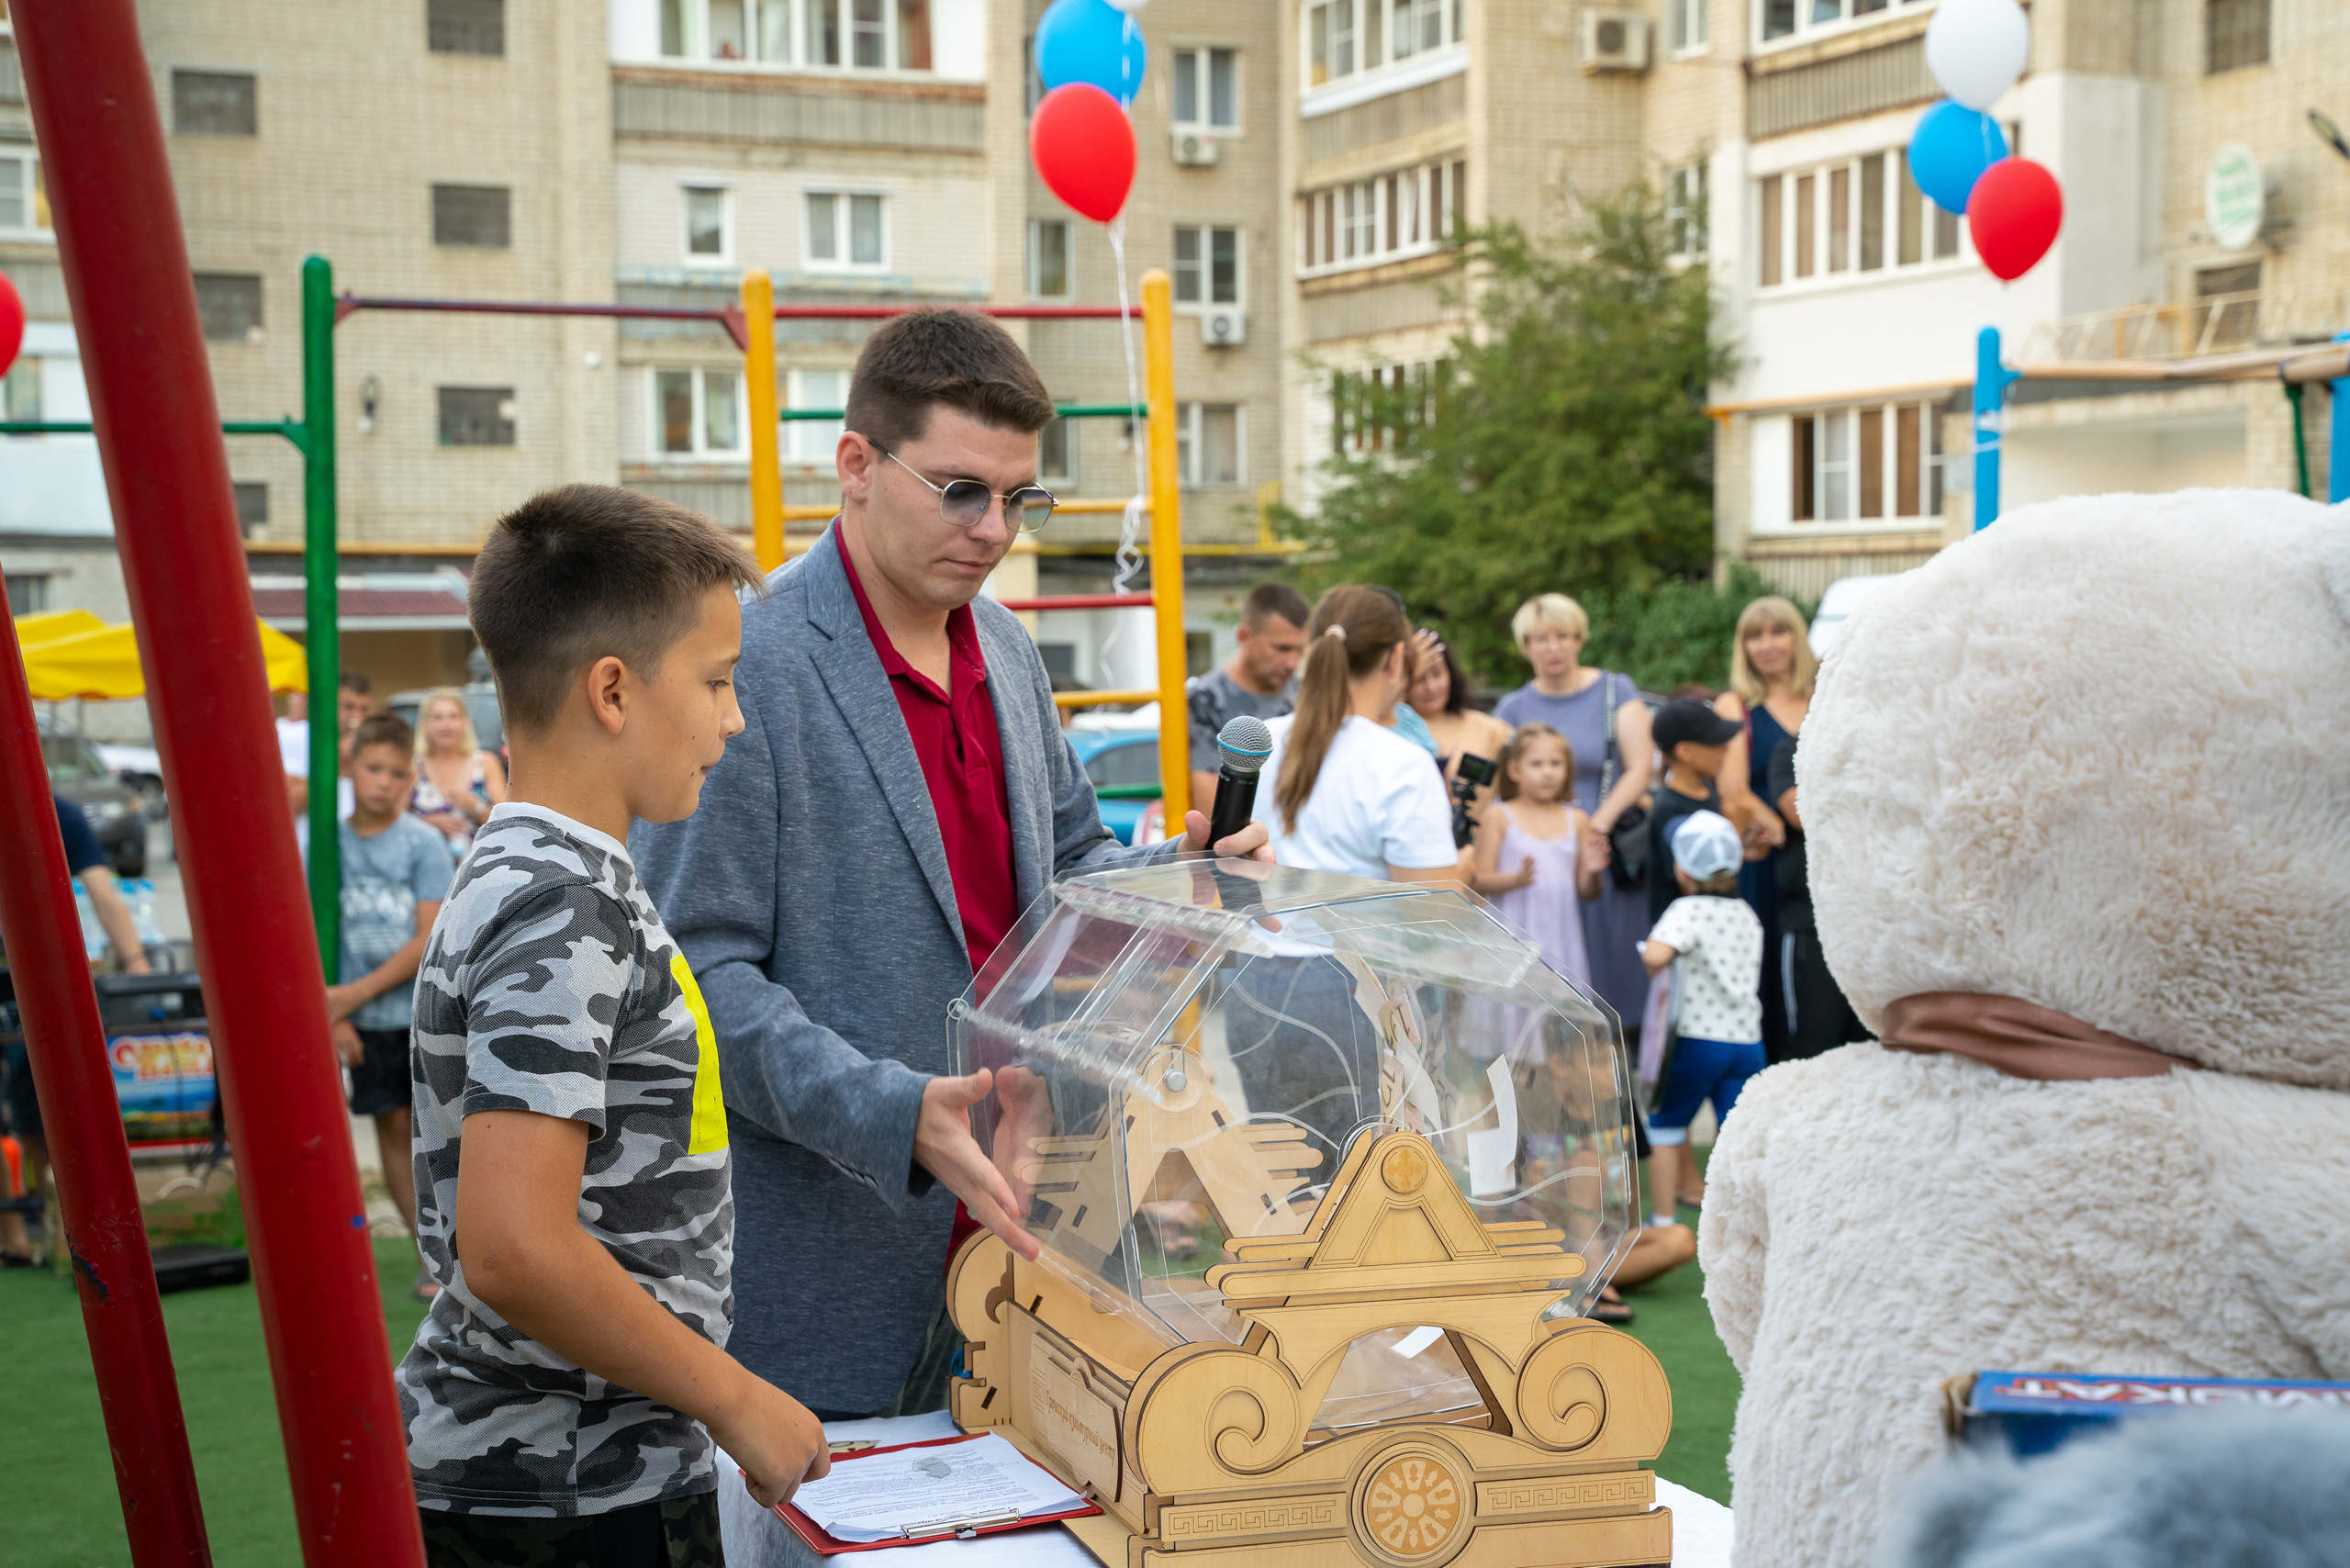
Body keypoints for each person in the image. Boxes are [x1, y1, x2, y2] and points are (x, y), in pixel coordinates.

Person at [630, 310, 1270, 1432]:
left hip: (1039, 1236)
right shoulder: (748, 656)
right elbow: (694, 978)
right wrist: (894, 1113)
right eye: (961, 490)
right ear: (856, 465)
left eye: (1021, 499)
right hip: (836, 1263)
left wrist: (1189, 871)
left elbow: (1068, 873)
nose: (994, 530)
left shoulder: (1010, 650)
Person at [399, 485, 830, 1563]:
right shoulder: (563, 901)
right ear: (611, 690)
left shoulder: (549, 872)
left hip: (582, 1474)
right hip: (560, 1496)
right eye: (718, 681)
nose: (733, 719)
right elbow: (514, 1245)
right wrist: (733, 1398)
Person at [319, 712, 451, 1300]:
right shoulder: (322, 844)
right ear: (350, 768)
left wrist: (353, 994)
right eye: (374, 768)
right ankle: (431, 1259)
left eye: (398, 774)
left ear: (412, 779)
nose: (384, 783)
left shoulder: (423, 844)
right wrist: (339, 1013)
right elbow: (307, 929)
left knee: (442, 1132)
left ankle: (463, 1250)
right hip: (360, 1022)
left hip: (421, 1013)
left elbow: (428, 938)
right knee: (392, 1129)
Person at [1494, 594, 1655, 1047]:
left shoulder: (1614, 690)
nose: (1553, 647)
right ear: (1526, 646)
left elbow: (1640, 766)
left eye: (1562, 636)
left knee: (1610, 967)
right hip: (1541, 855)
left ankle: (1617, 1067)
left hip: (1598, 846)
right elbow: (1499, 781)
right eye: (1541, 638)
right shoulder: (1512, 707)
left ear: (1579, 639)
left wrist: (1595, 827)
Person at [0, 797, 152, 1267]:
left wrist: (138, 968)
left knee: (41, 1107)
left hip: (33, 975)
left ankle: (51, 1224)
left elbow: (104, 895)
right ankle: (15, 1237)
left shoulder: (52, 810)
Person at [1639, 811, 1763, 1226]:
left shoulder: (1687, 909)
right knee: (1738, 1136)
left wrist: (1650, 948)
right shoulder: (1748, 913)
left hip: (1696, 1040)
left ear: (1681, 867)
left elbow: (1657, 956)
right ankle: (1746, 1223)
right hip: (1747, 1041)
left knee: (1665, 1127)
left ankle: (1664, 1220)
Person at [1713, 595, 1814, 1060]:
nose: (1767, 644)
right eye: (1754, 635)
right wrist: (1780, 820)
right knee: (1768, 978)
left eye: (1778, 631)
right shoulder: (1738, 706)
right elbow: (1733, 789)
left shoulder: (1824, 695)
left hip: (1822, 864)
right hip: (1767, 861)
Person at [1471, 723, 1604, 987]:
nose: (1547, 772)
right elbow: (1478, 880)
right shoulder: (1498, 816)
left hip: (1559, 940)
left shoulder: (1577, 820)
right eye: (1537, 764)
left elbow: (1587, 892)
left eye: (1556, 764)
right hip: (1510, 935)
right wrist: (1516, 880)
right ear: (1515, 770)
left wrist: (1592, 871)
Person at [1767, 731, 1865, 1060]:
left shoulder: (1885, 743)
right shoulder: (1796, 748)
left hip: (1874, 925)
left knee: (1870, 1049)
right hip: (1812, 921)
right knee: (1811, 1047)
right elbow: (1799, 810)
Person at [1187, 581, 1309, 809]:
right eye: (1282, 649)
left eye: (1300, 650)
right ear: (1244, 636)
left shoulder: (1308, 695)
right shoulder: (1205, 702)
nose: (1293, 663)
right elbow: (1211, 810)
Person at [1645, 698, 1742, 924]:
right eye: (1716, 743)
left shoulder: (1709, 791)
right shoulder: (1669, 809)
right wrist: (1738, 828)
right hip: (1685, 935)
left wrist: (1748, 844)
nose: (1726, 748)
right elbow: (1697, 875)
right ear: (1685, 752)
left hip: (1717, 924)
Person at [1408, 636, 1510, 812]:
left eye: (1437, 673)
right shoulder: (1390, 731)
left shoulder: (1489, 728)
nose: (1431, 687)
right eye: (1419, 679)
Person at [410, 688, 509, 856]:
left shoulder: (486, 762)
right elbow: (394, 821)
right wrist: (427, 822)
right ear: (424, 725)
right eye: (437, 717)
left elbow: (506, 824)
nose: (446, 724)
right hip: (426, 863)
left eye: (453, 716)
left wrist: (475, 807)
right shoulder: (413, 766)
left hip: (479, 865)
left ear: (465, 722)